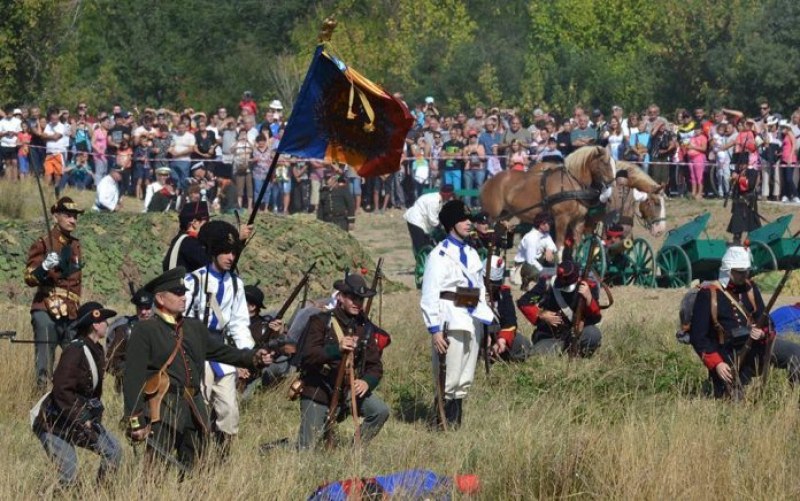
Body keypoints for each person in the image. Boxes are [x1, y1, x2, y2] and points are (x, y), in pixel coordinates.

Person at [123, 267, 272, 470]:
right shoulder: (145, 330)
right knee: (155, 471)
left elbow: (222, 352)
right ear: (160, 298)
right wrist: (135, 421)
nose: (184, 297)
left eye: (184, 292)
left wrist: (253, 357)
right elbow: (133, 377)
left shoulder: (194, 328)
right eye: (177, 293)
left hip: (194, 407)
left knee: (198, 469)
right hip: (163, 409)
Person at [420, 200, 494, 429]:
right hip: (450, 318)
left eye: (469, 219)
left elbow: (479, 286)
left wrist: (485, 315)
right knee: (448, 375)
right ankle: (440, 424)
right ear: (451, 223)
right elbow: (430, 294)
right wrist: (434, 330)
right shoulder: (439, 255)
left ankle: (455, 424)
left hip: (472, 317)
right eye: (462, 219)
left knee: (465, 374)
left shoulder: (472, 253)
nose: (468, 223)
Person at [689, 246, 800, 398]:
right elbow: (698, 337)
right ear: (728, 270)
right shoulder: (708, 294)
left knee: (796, 353)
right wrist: (717, 363)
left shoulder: (750, 288)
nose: (745, 275)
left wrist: (762, 333)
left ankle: (794, 400)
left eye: (746, 271)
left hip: (756, 346)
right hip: (727, 355)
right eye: (740, 272)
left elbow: (767, 322)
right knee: (734, 401)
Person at [183, 221, 255, 453]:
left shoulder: (236, 284)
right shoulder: (193, 281)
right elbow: (183, 321)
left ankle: (223, 457)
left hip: (223, 354)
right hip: (197, 351)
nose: (230, 257)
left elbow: (239, 323)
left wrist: (246, 355)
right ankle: (198, 454)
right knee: (199, 408)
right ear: (213, 251)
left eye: (233, 252)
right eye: (225, 252)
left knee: (229, 411)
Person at [32, 302, 122, 486]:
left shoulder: (96, 349)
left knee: (113, 451)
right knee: (68, 473)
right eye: (104, 320)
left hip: (76, 421)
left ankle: (101, 494)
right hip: (54, 423)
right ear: (95, 324)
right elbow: (61, 390)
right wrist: (82, 417)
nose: (107, 324)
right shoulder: (75, 351)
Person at [296, 274, 391, 449]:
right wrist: (336, 349)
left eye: (360, 299)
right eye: (352, 298)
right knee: (306, 448)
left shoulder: (365, 328)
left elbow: (375, 366)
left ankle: (353, 452)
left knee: (380, 411)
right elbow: (307, 356)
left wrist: (367, 382)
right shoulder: (320, 321)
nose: (357, 303)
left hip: (348, 390)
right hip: (319, 388)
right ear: (340, 297)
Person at [25, 197, 84, 388]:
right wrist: (44, 267)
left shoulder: (75, 245)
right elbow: (29, 278)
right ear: (55, 216)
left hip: (71, 311)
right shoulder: (44, 242)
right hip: (46, 308)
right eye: (68, 215)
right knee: (44, 364)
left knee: (75, 361)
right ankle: (41, 396)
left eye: (75, 216)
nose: (73, 220)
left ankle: (66, 398)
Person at [516, 256, 603, 358]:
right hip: (550, 336)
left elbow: (596, 317)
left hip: (576, 334)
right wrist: (541, 314)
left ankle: (578, 354)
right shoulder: (547, 284)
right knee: (538, 355)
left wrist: (589, 298)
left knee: (593, 334)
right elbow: (523, 302)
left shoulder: (588, 286)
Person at [239, 285, 293, 400]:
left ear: (252, 307)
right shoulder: (231, 322)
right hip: (233, 368)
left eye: (240, 300)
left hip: (254, 373)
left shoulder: (265, 326)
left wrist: (278, 333)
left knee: (244, 399)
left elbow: (281, 350)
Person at [105, 288, 155, 392]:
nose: (143, 312)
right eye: (140, 308)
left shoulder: (162, 328)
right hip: (128, 388)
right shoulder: (125, 330)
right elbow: (111, 361)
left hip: (157, 386)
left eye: (147, 308)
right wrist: (132, 371)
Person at [403, 184, 455, 257]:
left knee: (426, 243)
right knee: (420, 245)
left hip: (422, 221)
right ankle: (421, 262)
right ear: (446, 194)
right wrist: (443, 229)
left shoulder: (440, 200)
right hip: (415, 220)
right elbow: (433, 221)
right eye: (450, 195)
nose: (450, 198)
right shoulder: (434, 201)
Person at [513, 212, 557, 289]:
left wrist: (549, 249)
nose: (548, 225)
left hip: (537, 261)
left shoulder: (545, 234)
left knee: (555, 256)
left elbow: (553, 246)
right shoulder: (531, 238)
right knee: (538, 273)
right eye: (545, 223)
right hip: (524, 264)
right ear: (539, 224)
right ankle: (528, 282)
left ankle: (544, 280)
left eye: (549, 223)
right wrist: (545, 271)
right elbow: (531, 260)